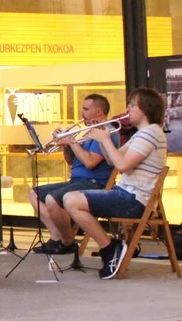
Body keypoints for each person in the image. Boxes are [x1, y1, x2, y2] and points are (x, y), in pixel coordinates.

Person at [63, 88, 167, 279]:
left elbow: (122, 165)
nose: (128, 109)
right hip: (126, 194)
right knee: (70, 199)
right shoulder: (141, 134)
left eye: (132, 105)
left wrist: (106, 139)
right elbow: (113, 161)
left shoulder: (150, 134)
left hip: (133, 199)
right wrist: (104, 138)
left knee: (71, 200)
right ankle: (111, 248)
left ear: (145, 109)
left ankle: (110, 248)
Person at [29, 94, 116, 254]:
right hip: (76, 180)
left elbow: (90, 162)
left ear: (98, 111)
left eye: (86, 109)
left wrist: (72, 141)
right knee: (34, 193)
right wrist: (65, 146)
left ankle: (67, 242)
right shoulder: (87, 132)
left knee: (52, 199)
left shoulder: (105, 131)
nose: (82, 113)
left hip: (94, 182)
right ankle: (58, 238)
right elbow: (70, 161)